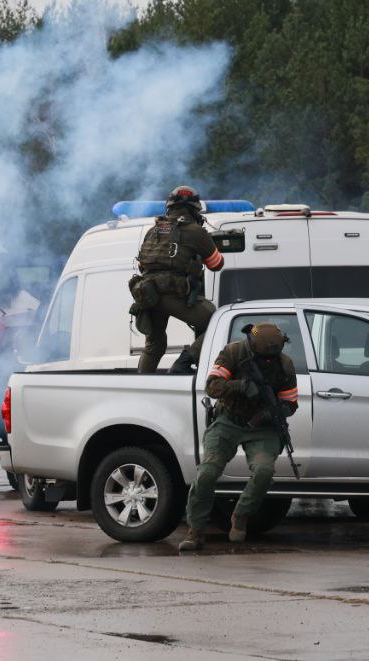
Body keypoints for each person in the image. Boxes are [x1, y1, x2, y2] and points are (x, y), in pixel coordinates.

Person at [180, 323, 299, 551]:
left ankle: (241, 515)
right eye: (262, 357)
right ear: (252, 347)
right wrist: (241, 385)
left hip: (263, 427)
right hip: (229, 420)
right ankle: (195, 531)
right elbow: (212, 386)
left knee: (264, 471)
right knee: (207, 473)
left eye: (270, 358)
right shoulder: (233, 353)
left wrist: (270, 413)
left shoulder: (284, 364)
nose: (267, 362)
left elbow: (290, 403)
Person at [131, 186, 224, 374]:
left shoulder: (153, 230)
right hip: (173, 293)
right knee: (216, 323)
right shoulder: (195, 231)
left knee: (155, 344)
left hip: (147, 295)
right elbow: (216, 264)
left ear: (169, 207)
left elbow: (143, 265)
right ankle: (185, 361)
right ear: (194, 209)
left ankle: (141, 384)